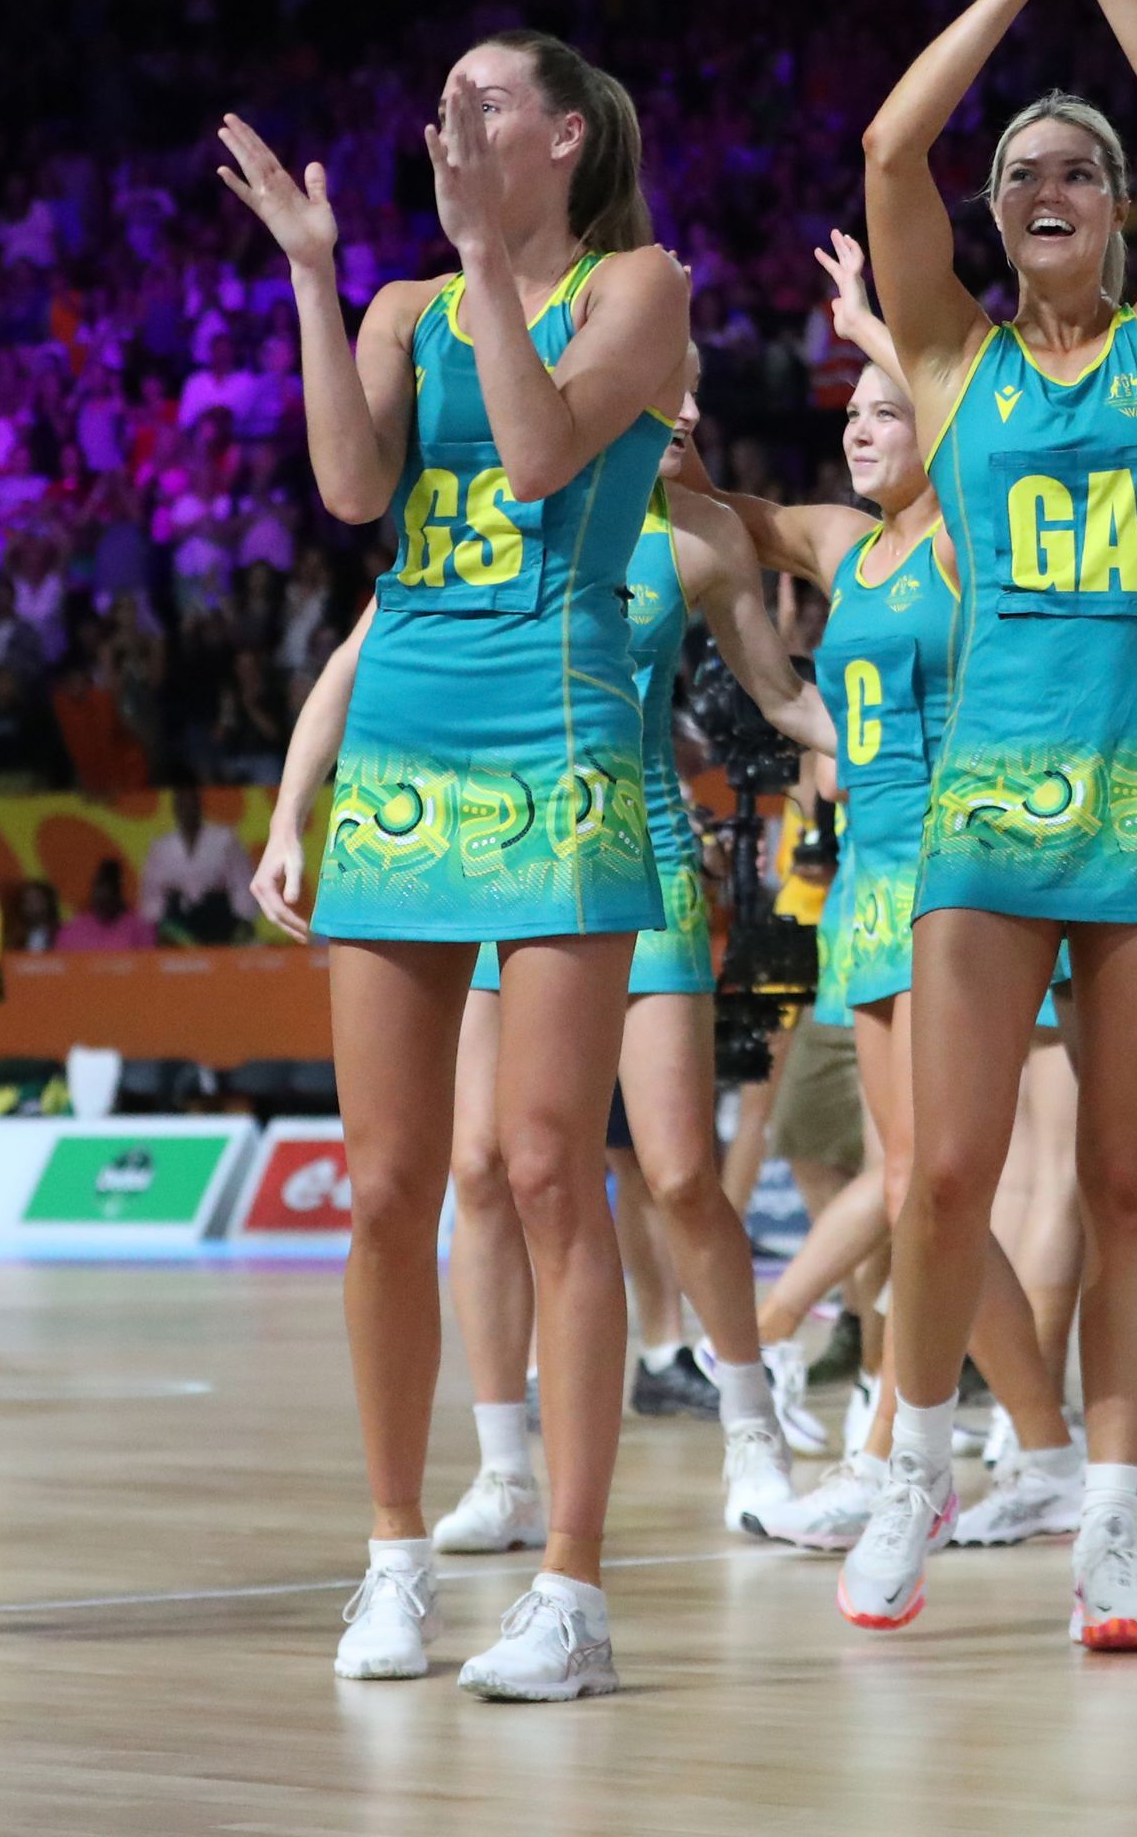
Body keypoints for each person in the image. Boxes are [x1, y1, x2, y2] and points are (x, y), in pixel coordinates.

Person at [215, 29, 688, 1701]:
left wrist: (482, 258)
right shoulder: (405, 307)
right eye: (445, 99)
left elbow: (547, 451)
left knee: (555, 1167)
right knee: (390, 1185)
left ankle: (571, 1589)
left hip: (558, 735)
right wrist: (319, 275)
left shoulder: (641, 285)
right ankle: (396, 1558)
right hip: (408, 738)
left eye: (488, 100)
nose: (451, 116)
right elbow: (353, 488)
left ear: (565, 132)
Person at [844, 0, 1137, 1652]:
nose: (1046, 182)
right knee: (941, 1168)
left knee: (1121, 1179)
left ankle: (1109, 1530)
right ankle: (919, 1470)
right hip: (988, 813)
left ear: (1122, 206)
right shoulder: (950, 365)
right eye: (1021, 173)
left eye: (1076, 165)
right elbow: (887, 142)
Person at [699, 240, 1095, 1557]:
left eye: (887, 414)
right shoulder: (840, 546)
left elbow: (990, 420)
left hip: (962, 880)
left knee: (938, 1183)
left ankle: (920, 1449)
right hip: (864, 889)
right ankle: (1020, 1447)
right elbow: (730, 520)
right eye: (852, 415)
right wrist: (659, 423)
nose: (862, 431)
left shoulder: (979, 539)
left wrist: (882, 328)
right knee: (921, 1181)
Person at [429, 348, 837, 1548]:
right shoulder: (506, 503)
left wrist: (887, 740)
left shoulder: (700, 537)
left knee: (675, 1173)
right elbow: (381, 652)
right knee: (479, 1170)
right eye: (664, 387)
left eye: (696, 388)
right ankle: (505, 1471)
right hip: (503, 859)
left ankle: (753, 1439)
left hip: (643, 852)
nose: (688, 410)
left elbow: (781, 697)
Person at [141, 780, 252, 945]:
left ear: (200, 807)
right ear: (175, 810)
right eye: (183, 806)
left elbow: (241, 881)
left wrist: (244, 917)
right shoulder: (162, 847)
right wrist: (154, 924)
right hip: (178, 916)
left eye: (192, 805)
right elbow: (153, 890)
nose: (188, 811)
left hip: (218, 913)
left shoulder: (224, 839)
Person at [55, 860, 152, 951]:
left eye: (110, 888)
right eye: (100, 887)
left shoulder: (138, 927)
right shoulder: (73, 929)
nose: (104, 894)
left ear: (119, 892)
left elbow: (149, 962)